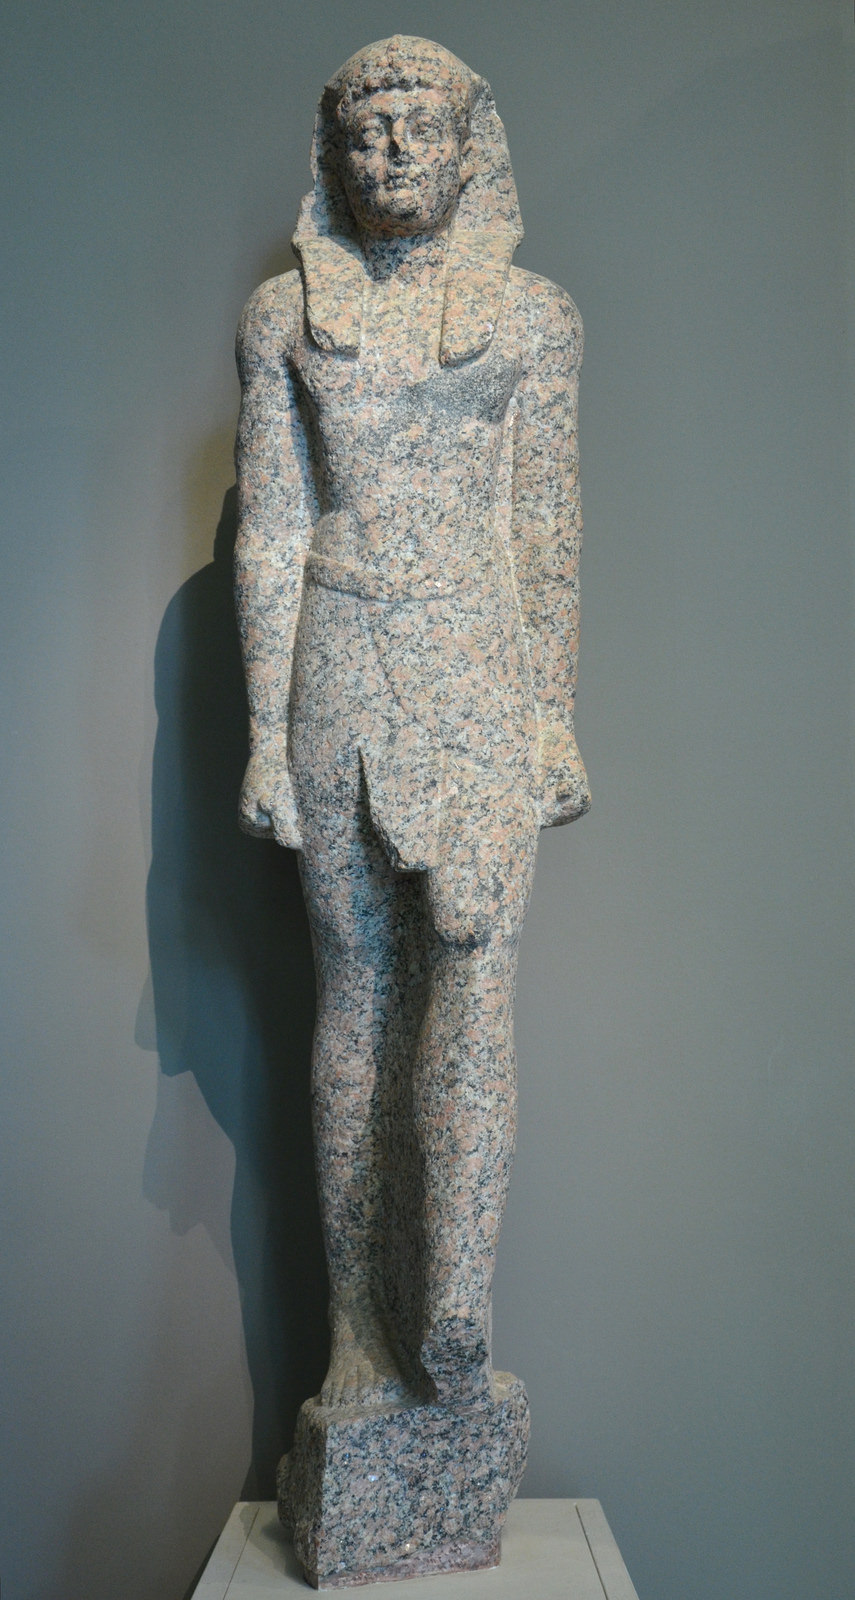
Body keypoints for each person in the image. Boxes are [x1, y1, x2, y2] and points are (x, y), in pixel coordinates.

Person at [234, 35, 589, 1415]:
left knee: (476, 970)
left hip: (477, 666)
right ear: (332, 156)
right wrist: (262, 732)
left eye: (419, 130)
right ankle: (353, 1333)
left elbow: (543, 526)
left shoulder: (534, 319)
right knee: (357, 991)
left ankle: (453, 1300)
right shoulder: (282, 317)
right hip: (337, 654)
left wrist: (551, 716)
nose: (392, 154)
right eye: (367, 132)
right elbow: (272, 531)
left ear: (467, 149)